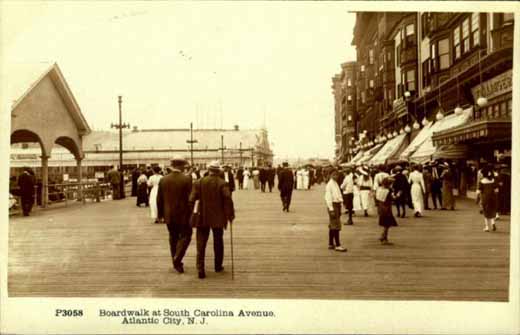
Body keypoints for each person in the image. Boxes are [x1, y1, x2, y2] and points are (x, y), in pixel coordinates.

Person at [189, 161, 235, 279]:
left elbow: (192, 199)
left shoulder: (199, 182)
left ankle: (200, 269)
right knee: (218, 241)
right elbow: (228, 199)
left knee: (201, 243)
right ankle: (217, 266)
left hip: (202, 216)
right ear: (218, 171)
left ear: (208, 170)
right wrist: (230, 214)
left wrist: (193, 212)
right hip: (218, 217)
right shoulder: (222, 183)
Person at [157, 157, 193, 273]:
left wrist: (160, 214)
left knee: (173, 237)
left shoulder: (163, 179)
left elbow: (159, 199)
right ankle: (178, 258)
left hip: (169, 214)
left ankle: (175, 261)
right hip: (183, 214)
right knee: (186, 236)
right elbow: (190, 198)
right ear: (182, 166)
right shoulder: (187, 179)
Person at [324, 170, 347, 252]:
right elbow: (328, 198)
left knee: (332, 225)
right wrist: (331, 209)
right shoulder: (329, 185)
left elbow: (338, 194)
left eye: (337, 175)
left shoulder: (335, 183)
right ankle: (338, 244)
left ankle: (330, 243)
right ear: (330, 175)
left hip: (337, 204)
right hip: (333, 205)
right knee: (336, 225)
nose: (336, 176)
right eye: (334, 175)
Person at [375, 177, 398, 245]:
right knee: (387, 224)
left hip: (380, 207)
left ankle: (384, 236)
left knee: (385, 223)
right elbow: (392, 198)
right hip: (387, 208)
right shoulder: (388, 191)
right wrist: (398, 195)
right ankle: (384, 237)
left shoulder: (379, 189)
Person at [476, 166, 499, 232]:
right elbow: (496, 190)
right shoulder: (493, 180)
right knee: (491, 211)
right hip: (492, 198)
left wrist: (477, 198)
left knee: (486, 212)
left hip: (485, 198)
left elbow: (479, 191)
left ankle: (487, 227)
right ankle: (493, 223)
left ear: (483, 174)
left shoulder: (482, 181)